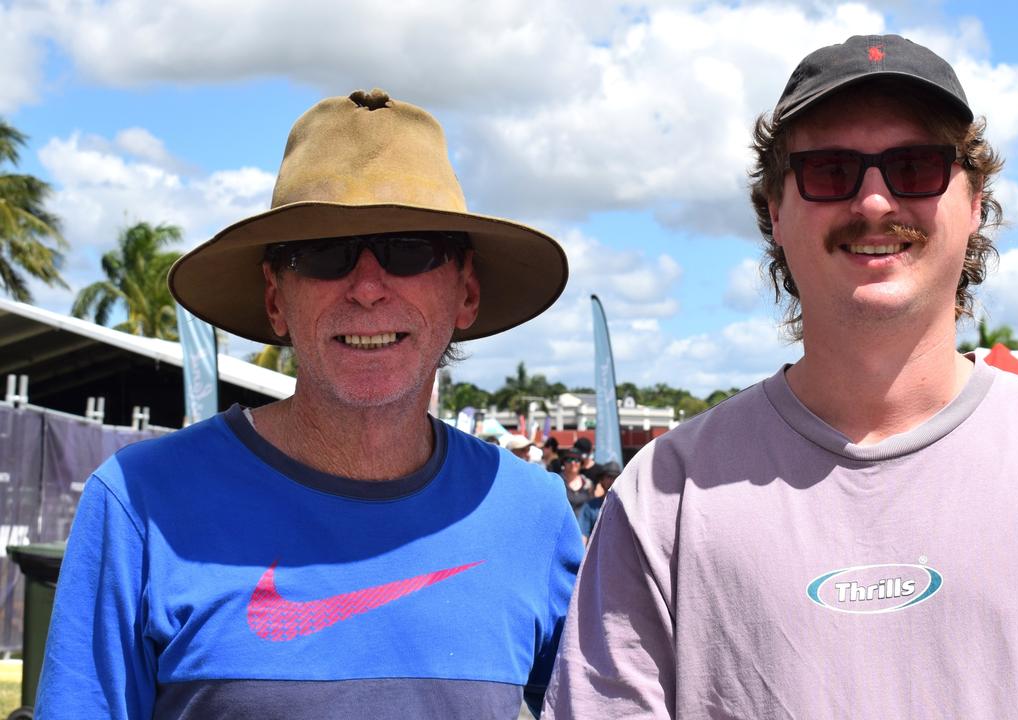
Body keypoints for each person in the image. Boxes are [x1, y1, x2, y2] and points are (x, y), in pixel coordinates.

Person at [544, 35, 1018, 718]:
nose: (874, 203)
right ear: (774, 210)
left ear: (975, 202)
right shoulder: (666, 495)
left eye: (916, 167)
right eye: (829, 171)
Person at [38, 88, 584, 719]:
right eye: (325, 253)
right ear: (276, 298)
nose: (369, 287)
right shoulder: (138, 503)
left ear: (465, 292)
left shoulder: (533, 516)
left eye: (411, 248)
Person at [576, 461, 620, 543]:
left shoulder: (626, 506)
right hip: (597, 553)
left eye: (616, 477)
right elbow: (583, 536)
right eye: (609, 476)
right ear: (602, 479)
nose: (612, 480)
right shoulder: (589, 507)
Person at [558, 449, 593, 514]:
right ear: (563, 463)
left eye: (577, 460)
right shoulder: (557, 481)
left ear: (581, 464)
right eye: (569, 460)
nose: (573, 463)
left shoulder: (588, 483)